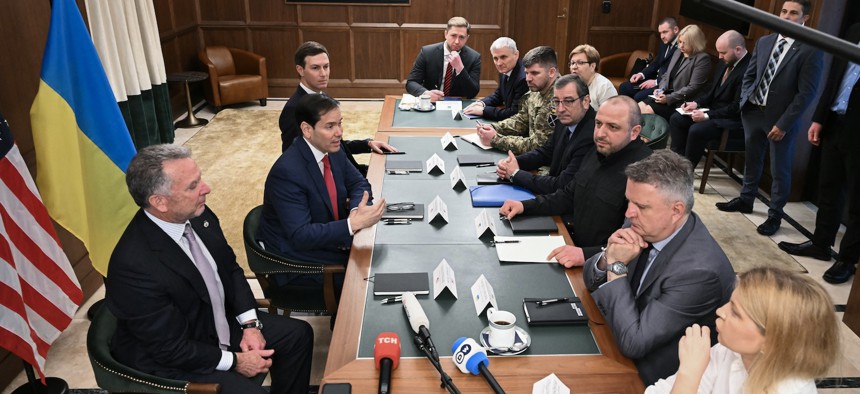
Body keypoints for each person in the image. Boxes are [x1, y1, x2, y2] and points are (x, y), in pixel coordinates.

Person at [105, 145, 314, 394]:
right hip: (175, 361)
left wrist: (250, 326)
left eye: (200, 179)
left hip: (213, 325)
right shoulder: (134, 265)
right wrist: (236, 361)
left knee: (297, 335)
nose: (206, 188)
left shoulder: (197, 215)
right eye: (192, 186)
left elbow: (231, 270)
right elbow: (170, 349)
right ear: (159, 202)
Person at [582, 149, 735, 386]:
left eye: (641, 206)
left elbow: (634, 342)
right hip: (614, 335)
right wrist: (606, 261)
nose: (629, 213)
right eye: (629, 201)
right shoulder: (645, 222)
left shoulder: (699, 273)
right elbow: (591, 277)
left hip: (651, 377)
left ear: (676, 210)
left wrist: (617, 266)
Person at [499, 96, 651, 267]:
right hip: (569, 244)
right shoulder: (598, 150)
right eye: (598, 123)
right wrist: (525, 206)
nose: (600, 133)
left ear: (635, 132)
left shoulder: (647, 173)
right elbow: (568, 195)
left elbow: (639, 244)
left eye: (613, 127)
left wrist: (586, 255)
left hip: (601, 266)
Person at [716, 0, 824, 236]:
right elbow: (750, 75)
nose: (786, 16)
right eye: (783, 11)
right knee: (752, 160)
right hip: (753, 112)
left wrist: (784, 123)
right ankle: (746, 199)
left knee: (779, 170)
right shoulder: (765, 41)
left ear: (804, 18)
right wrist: (746, 100)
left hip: (780, 120)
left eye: (793, 13)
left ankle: (775, 215)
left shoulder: (810, 48)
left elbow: (807, 94)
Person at [646, 267, 839, 393]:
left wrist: (689, 372)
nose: (720, 311)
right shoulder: (731, 350)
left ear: (772, 340)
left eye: (735, 313)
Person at [258, 94, 384, 274]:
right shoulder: (286, 173)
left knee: (381, 252)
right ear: (307, 130)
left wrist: (357, 210)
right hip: (297, 260)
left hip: (326, 235)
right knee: (369, 269)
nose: (339, 132)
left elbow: (358, 182)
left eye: (340, 123)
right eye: (330, 126)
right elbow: (300, 235)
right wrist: (352, 224)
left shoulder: (332, 149)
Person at [778, 22, 860, 284]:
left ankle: (847, 259)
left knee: (857, 201)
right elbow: (835, 76)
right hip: (836, 120)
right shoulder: (854, 29)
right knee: (828, 188)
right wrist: (819, 118)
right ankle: (821, 244)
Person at [278, 41, 395, 174]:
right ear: (300, 70)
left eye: (326, 67)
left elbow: (332, 143)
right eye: (315, 68)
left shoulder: (320, 96)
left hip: (350, 173)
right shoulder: (293, 109)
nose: (323, 73)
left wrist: (366, 144)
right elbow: (294, 162)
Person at [495, 74, 595, 195]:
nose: (561, 109)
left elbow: (561, 185)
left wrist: (516, 174)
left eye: (568, 101)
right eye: (556, 102)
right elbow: (546, 152)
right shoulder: (567, 118)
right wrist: (513, 162)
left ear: (585, 101)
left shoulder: (592, 135)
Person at [669, 30, 749, 167]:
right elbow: (712, 91)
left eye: (723, 53)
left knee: (697, 130)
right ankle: (676, 164)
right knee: (676, 118)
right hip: (713, 111)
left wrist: (707, 115)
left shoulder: (749, 69)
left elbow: (736, 106)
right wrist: (696, 103)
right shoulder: (724, 62)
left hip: (730, 120)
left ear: (738, 49)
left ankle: (687, 172)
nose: (719, 57)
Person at [476, 46, 558, 155]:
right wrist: (494, 127)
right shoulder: (537, 88)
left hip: (547, 165)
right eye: (527, 73)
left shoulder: (559, 100)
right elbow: (521, 120)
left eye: (534, 73)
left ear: (551, 72)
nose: (528, 78)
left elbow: (538, 145)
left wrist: (496, 139)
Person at [639, 24, 712, 121]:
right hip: (666, 96)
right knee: (638, 107)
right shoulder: (678, 52)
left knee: (647, 111)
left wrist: (669, 98)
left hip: (681, 103)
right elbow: (667, 75)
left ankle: (644, 136)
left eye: (684, 43)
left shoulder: (702, 59)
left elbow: (693, 87)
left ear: (694, 43)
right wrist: (661, 89)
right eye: (680, 41)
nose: (680, 45)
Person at [406, 16, 481, 100]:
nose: (457, 41)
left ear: (467, 38)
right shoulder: (427, 52)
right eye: (453, 35)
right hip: (431, 102)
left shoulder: (474, 57)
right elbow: (411, 83)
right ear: (446, 34)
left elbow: (473, 92)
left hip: (457, 104)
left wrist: (460, 69)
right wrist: (426, 93)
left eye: (461, 37)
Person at [462, 37, 528, 121]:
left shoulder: (523, 79)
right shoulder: (507, 69)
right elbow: (499, 95)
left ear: (516, 55)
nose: (499, 63)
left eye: (503, 57)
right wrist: (481, 103)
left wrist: (484, 111)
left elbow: (514, 113)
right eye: (495, 58)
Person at [619, 17, 680, 102]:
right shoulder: (664, 43)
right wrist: (641, 74)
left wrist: (656, 82)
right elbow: (656, 63)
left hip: (666, 85)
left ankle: (634, 114)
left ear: (676, 29)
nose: (662, 36)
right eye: (660, 33)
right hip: (654, 78)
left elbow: (677, 74)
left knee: (639, 96)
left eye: (665, 32)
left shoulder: (682, 47)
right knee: (624, 87)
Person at [567, 44, 617, 110]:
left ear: (592, 66)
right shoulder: (570, 84)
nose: (574, 67)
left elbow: (611, 116)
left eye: (580, 63)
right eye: (572, 63)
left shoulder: (604, 87)